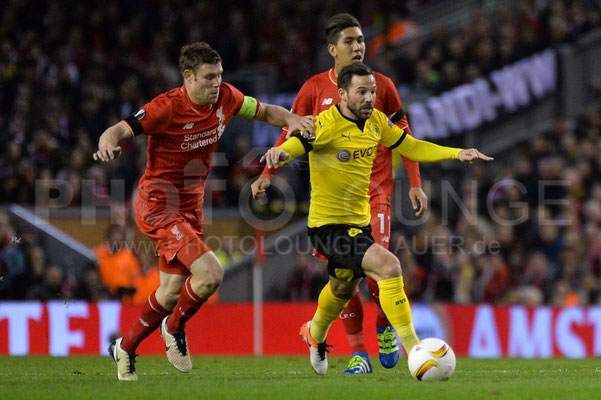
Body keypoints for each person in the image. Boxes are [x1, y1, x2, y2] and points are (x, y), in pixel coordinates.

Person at [93, 41, 315, 381]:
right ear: (188, 77)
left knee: (169, 292)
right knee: (211, 273)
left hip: (190, 207)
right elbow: (122, 129)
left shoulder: (226, 96)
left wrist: (293, 119)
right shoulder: (165, 107)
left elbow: (267, 111)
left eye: (219, 75)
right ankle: (175, 327)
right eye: (209, 77)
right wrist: (107, 142)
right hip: (158, 205)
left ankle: (125, 347)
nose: (216, 83)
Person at [259, 63, 492, 375]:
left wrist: (456, 153)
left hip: (359, 224)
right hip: (328, 226)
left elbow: (410, 146)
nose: (369, 97)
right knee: (389, 265)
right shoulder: (324, 125)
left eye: (372, 91)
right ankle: (416, 350)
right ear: (342, 94)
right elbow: (296, 143)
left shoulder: (377, 122)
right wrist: (280, 154)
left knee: (342, 288)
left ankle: (314, 333)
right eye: (361, 92)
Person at [251, 13, 428, 373]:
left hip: (375, 190)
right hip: (332, 203)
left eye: (361, 40)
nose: (359, 46)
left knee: (380, 266)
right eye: (350, 41)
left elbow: (405, 135)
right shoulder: (314, 89)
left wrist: (415, 181)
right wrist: (268, 173)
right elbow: (291, 132)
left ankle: (385, 327)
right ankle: (359, 353)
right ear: (333, 50)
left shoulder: (382, 86)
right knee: (344, 279)